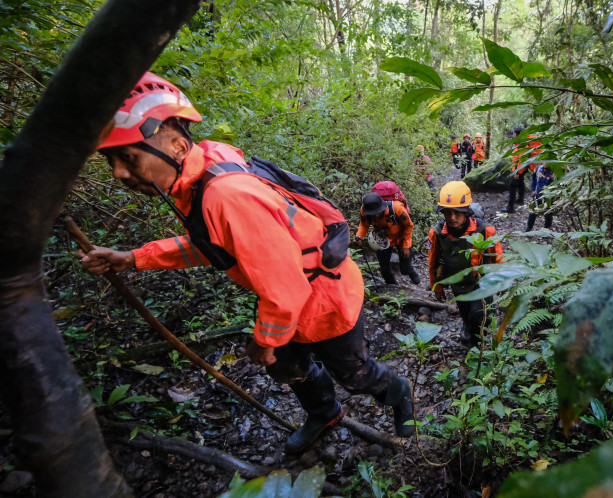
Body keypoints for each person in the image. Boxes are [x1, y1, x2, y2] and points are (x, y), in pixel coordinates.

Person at [77, 72, 415, 454]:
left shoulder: (226, 195)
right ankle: (325, 412)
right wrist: (134, 258)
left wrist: (263, 342)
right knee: (288, 368)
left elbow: (286, 290)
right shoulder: (200, 178)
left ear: (174, 144)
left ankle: (399, 392)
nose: (118, 172)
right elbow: (213, 246)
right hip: (286, 300)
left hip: (324, 299)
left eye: (127, 157)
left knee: (354, 374)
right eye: (112, 160)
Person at [428, 181, 503, 347]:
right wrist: (437, 287)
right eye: (447, 213)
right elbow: (433, 261)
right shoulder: (438, 233)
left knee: (479, 316)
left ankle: (476, 347)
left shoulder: (485, 231)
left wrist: (504, 283)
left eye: (457, 213)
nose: (452, 218)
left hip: (482, 284)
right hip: (458, 284)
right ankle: (467, 326)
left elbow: (499, 258)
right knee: (464, 310)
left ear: (467, 211)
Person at [355, 192, 420, 285]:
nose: (374, 215)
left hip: (401, 237)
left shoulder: (397, 208)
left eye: (376, 212)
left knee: (405, 268)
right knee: (384, 268)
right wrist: (359, 236)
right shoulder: (365, 210)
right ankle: (392, 286)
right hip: (382, 240)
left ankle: (412, 273)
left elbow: (408, 226)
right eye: (372, 213)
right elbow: (364, 224)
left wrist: (406, 245)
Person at [503, 128, 542, 214]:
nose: (513, 135)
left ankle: (510, 207)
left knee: (512, 185)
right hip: (527, 166)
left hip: (522, 167)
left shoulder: (522, 144)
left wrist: (517, 172)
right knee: (520, 182)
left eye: (514, 133)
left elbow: (520, 159)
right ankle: (520, 199)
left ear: (517, 134)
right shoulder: (525, 140)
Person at [526, 163, 556, 231]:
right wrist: (533, 190)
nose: (546, 164)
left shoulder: (554, 173)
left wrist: (555, 196)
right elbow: (533, 178)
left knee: (548, 213)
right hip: (537, 194)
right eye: (545, 162)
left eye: (548, 162)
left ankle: (547, 229)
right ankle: (529, 228)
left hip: (548, 197)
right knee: (533, 211)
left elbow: (559, 184)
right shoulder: (538, 169)